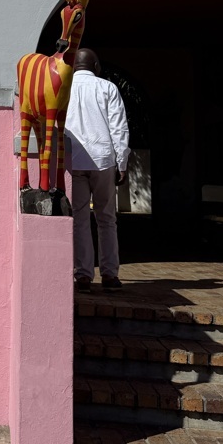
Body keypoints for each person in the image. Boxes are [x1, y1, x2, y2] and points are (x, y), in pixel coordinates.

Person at [65, 48, 130, 293]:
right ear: (96, 66)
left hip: (74, 161)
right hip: (103, 159)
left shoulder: (65, 87)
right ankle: (109, 274)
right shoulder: (108, 88)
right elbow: (119, 129)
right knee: (106, 219)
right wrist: (122, 163)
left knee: (79, 219)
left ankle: (83, 275)